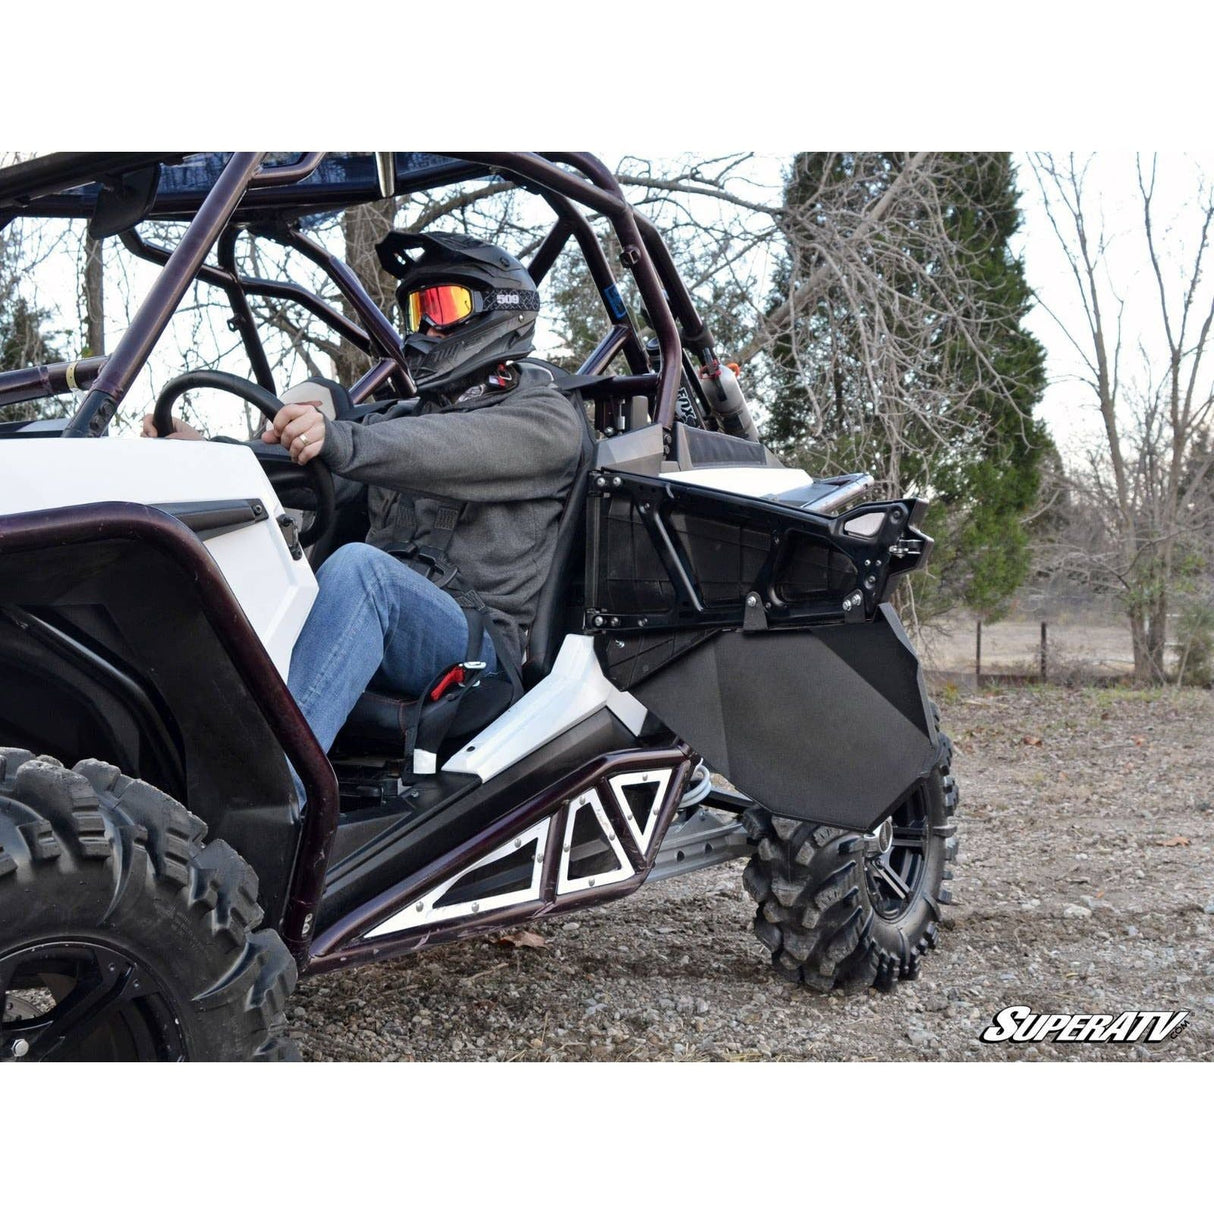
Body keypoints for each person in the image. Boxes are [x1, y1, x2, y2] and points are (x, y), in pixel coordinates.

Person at [146, 231, 585, 776]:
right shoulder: (409, 417)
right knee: (222, 576)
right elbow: (311, 474)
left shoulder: (545, 420)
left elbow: (444, 451)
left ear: (502, 313)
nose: (425, 328)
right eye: (417, 309)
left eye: (444, 307)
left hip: (478, 650)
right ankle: (154, 772)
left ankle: (269, 790)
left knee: (363, 571)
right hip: (393, 625)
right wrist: (206, 455)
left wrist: (340, 439)